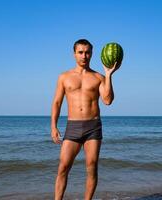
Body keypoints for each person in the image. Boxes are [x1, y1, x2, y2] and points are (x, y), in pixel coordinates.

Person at [51, 39, 120, 200]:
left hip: (93, 126)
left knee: (92, 167)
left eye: (87, 52)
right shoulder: (64, 77)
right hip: (73, 126)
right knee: (63, 167)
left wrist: (109, 75)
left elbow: (108, 100)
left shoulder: (98, 77)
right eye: (80, 52)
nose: (84, 56)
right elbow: (57, 102)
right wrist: (53, 126)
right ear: (74, 54)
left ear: (92, 54)